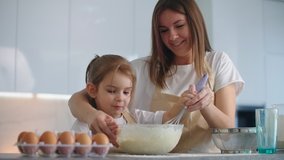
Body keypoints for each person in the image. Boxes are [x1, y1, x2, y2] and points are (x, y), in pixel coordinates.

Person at [68, 0, 244, 153]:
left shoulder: (217, 62)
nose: (172, 36)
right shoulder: (141, 68)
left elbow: (228, 135)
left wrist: (206, 106)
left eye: (179, 26)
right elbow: (77, 99)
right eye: (163, 30)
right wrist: (92, 116)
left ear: (195, 23)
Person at [71, 54, 187, 146]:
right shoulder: (84, 125)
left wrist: (183, 102)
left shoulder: (133, 117)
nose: (120, 98)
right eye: (111, 91)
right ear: (92, 90)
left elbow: (166, 118)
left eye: (126, 92)